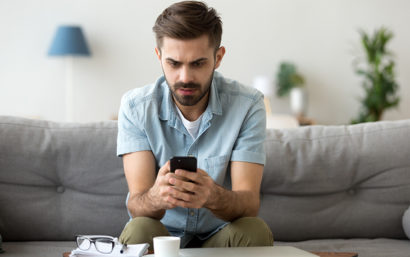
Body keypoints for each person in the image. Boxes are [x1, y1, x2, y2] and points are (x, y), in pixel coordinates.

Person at [116, 0, 273, 249]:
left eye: (198, 63)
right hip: (163, 236)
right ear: (159, 57)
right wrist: (157, 197)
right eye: (174, 63)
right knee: (139, 228)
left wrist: (213, 196)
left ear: (218, 57)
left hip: (220, 234)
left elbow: (249, 203)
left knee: (254, 230)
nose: (185, 77)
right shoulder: (136, 107)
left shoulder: (248, 105)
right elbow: (137, 205)